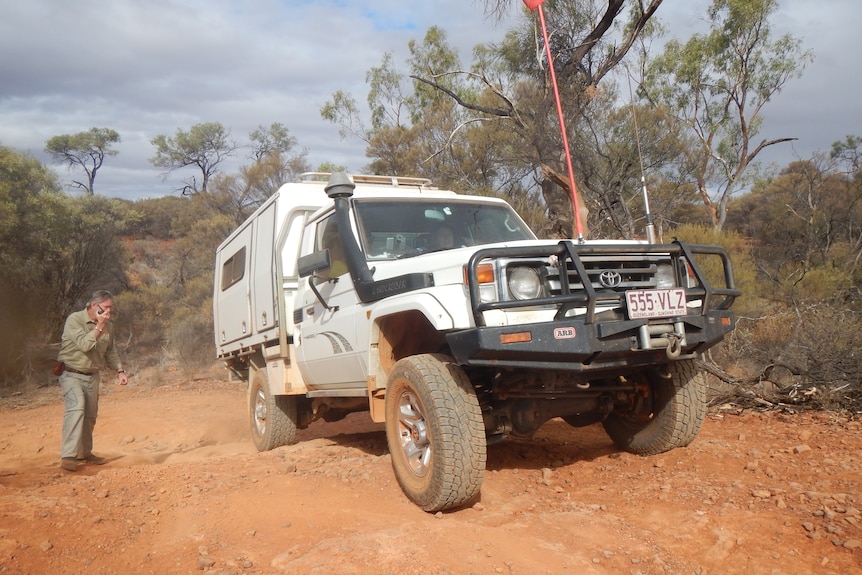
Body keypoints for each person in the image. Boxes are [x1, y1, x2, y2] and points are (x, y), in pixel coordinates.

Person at [56, 290, 129, 471]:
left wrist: (120, 371)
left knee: (89, 415)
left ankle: (85, 454)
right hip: (71, 373)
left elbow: (110, 351)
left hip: (92, 375)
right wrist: (98, 327)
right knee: (76, 407)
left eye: (111, 308)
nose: (109, 312)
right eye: (106, 307)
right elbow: (84, 345)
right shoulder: (75, 320)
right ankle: (69, 456)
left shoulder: (108, 326)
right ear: (94, 306)